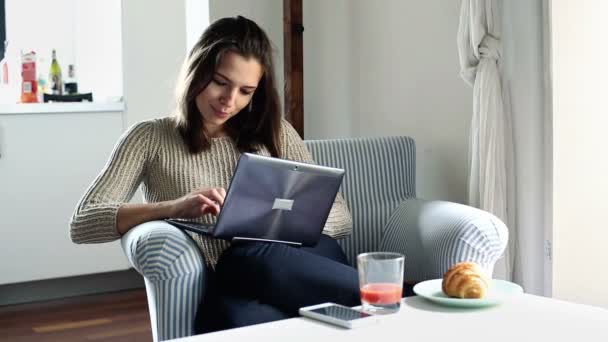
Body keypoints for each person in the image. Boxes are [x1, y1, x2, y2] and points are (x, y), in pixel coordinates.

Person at [70, 16, 360, 332]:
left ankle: (385, 297)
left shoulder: (276, 133)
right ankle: (383, 299)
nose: (229, 100)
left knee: (252, 256)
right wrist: (175, 207)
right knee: (227, 319)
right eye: (220, 82)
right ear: (198, 71)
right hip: (233, 281)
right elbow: (84, 222)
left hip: (301, 261)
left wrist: (279, 227)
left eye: (246, 91)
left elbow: (341, 216)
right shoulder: (149, 137)